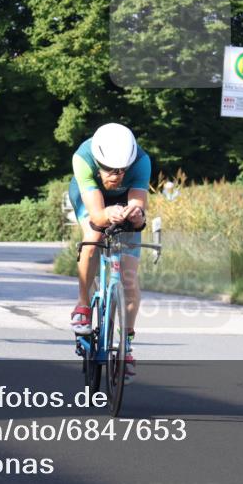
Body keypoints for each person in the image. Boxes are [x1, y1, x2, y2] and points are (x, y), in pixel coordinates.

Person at [68, 123, 151, 381]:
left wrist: (135, 215)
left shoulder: (141, 161)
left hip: (123, 201)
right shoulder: (83, 158)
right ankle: (83, 304)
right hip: (91, 198)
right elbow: (96, 214)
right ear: (98, 161)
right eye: (111, 170)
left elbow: (138, 207)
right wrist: (106, 215)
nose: (117, 176)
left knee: (129, 276)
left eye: (122, 170)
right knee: (93, 237)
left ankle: (126, 344)